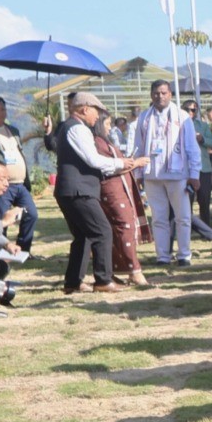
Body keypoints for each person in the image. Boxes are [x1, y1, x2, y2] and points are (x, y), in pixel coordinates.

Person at [54, 93, 147, 294]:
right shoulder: (78, 128)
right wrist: (121, 163)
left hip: (70, 190)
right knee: (102, 231)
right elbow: (93, 160)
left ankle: (73, 282)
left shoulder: (69, 126)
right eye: (96, 111)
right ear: (85, 108)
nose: (98, 117)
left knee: (83, 236)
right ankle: (103, 280)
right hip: (79, 190)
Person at [132, 80, 200, 266]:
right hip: (152, 174)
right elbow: (138, 146)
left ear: (170, 94)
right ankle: (162, 256)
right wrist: (138, 174)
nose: (159, 96)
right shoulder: (145, 117)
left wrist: (195, 173)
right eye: (156, 93)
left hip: (177, 174)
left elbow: (192, 147)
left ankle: (184, 255)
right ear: (151, 95)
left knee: (183, 217)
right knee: (159, 218)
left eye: (163, 93)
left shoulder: (182, 115)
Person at [92, 111, 150, 287]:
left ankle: (119, 270)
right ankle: (134, 270)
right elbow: (107, 167)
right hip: (110, 189)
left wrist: (129, 162)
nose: (110, 127)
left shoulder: (104, 141)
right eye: (107, 124)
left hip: (119, 186)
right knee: (124, 226)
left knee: (124, 226)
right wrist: (135, 163)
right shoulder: (96, 142)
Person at [0, 95, 38, 258]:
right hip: (1, 184)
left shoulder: (13, 131)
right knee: (1, 219)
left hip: (20, 183)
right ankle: (3, 251)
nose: (0, 113)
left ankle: (23, 250)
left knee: (31, 214)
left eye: (3, 109)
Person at [190, 99, 212, 227]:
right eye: (190, 109)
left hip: (203, 168)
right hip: (186, 169)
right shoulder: (177, 125)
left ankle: (205, 226)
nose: (192, 112)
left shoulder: (203, 126)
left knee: (204, 199)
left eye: (194, 109)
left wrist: (202, 139)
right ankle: (188, 227)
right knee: (186, 201)